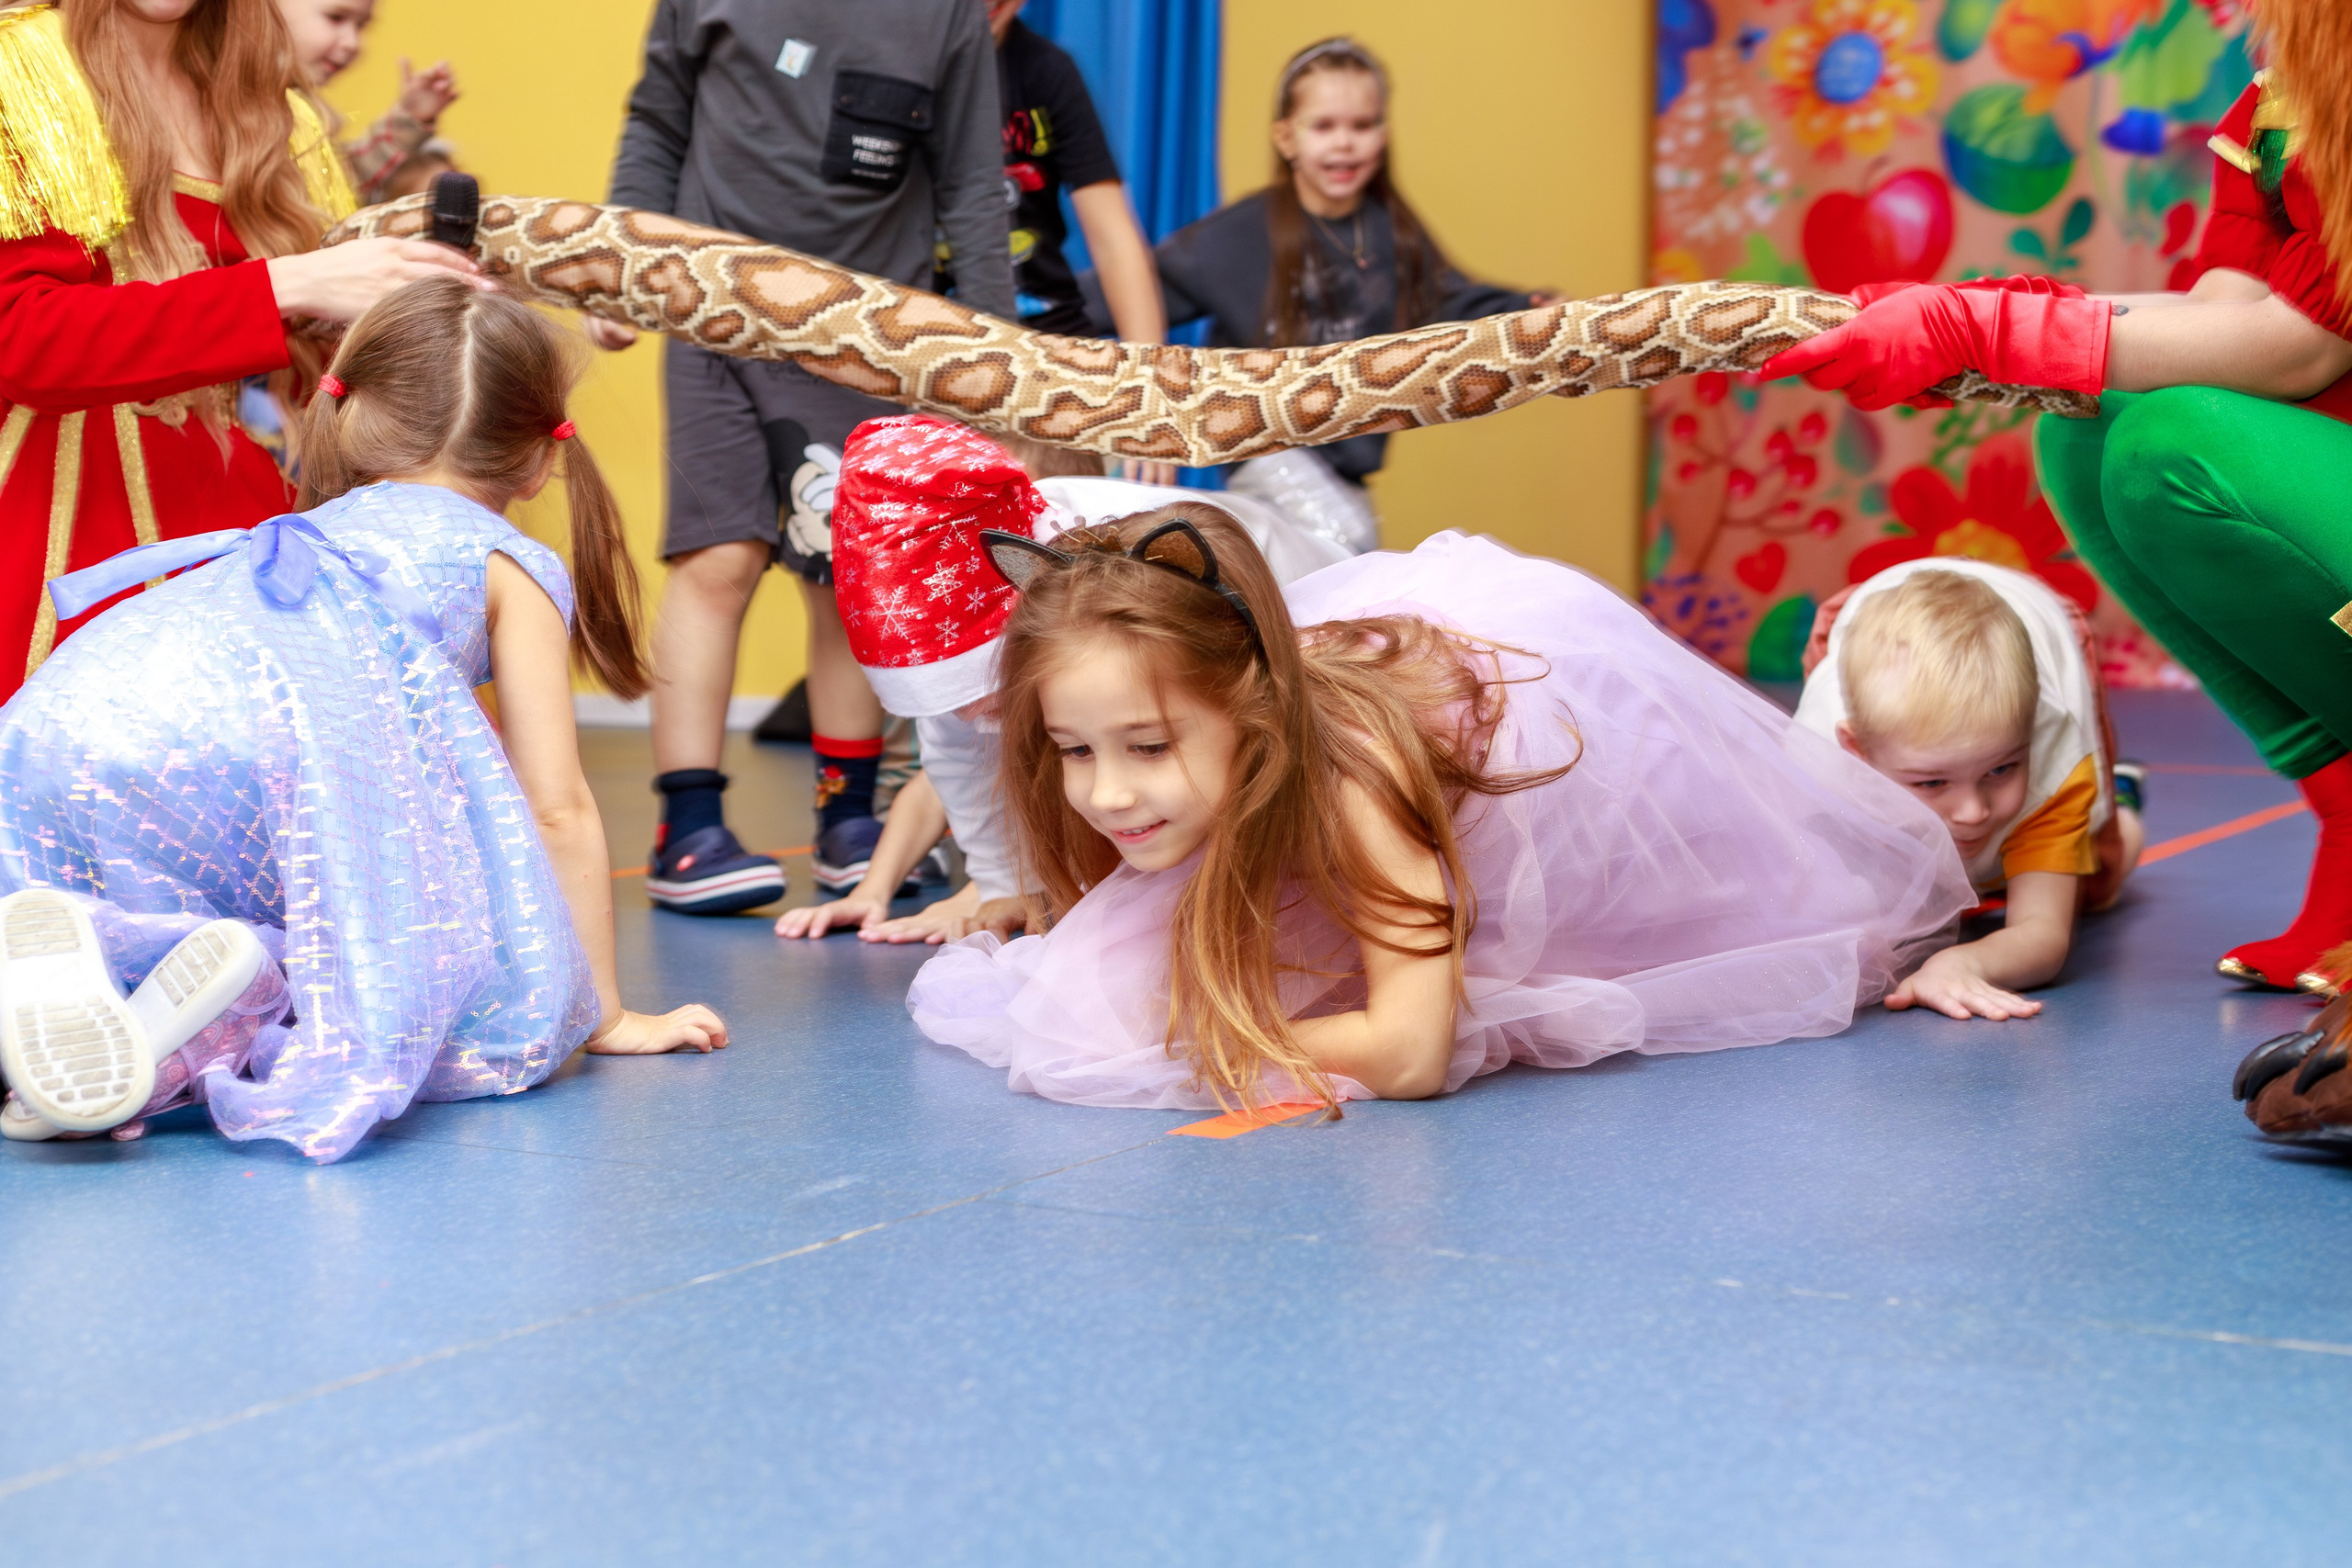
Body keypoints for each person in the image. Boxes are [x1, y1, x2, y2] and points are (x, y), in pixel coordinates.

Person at [898, 503, 1973, 1111]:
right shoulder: (1178, 759)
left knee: (1812, 890)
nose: (1107, 793)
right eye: (1075, 751)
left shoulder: (1353, 772)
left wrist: (1240, 1030)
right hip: (1370, 702)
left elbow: (1412, 1054)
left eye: (1145, 747)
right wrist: (1016, 895)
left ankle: (2071, 821)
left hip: (1577, 755)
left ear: (1251, 714)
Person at [0, 276, 725, 1161]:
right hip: (234, 735)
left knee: (132, 863)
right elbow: (556, 804)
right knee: (415, 961)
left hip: (80, 696)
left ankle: (112, 985)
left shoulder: (308, 530)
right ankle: (207, 1010)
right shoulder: (505, 559)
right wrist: (603, 1011)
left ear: (351, 417)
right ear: (541, 453)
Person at [1760, 0, 2352, 995]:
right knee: (2086, 423)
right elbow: (2226, 311)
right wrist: (1995, 318)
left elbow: (2302, 345)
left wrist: (1985, 330)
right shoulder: (2281, 98)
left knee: (2173, 443)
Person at [597, 0, 1015, 916]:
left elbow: (973, 186)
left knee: (841, 573)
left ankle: (848, 819)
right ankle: (688, 826)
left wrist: (995, 364)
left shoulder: (942, 17)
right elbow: (658, 123)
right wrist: (622, 268)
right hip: (713, 315)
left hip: (862, 335)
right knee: (717, 557)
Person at [0, 0, 484, 704]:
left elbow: (287, 374)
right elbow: (24, 340)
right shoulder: (20, 73)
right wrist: (284, 285)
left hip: (240, 537)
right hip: (58, 544)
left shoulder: (276, 106)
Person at [777, 416, 1352, 945]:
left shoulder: (1099, 553)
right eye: (949, 701)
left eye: (981, 690)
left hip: (1314, 615)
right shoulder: (955, 657)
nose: (977, 717)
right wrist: (1001, 881)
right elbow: (953, 758)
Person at [1116, 36, 1543, 541]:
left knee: (1358, 552)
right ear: (1286, 138)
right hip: (1269, 443)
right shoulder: (1236, 238)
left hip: (1345, 457)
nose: (1345, 143)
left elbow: (1449, 301)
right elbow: (1129, 293)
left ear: (1383, 133)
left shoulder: (1392, 232)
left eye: (1362, 125)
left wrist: (1528, 312)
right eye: (1323, 126)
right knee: (1344, 541)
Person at [1793, 562, 2145, 1021]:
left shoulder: (2055, 768)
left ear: (2029, 743)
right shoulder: (1815, 767)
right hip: (1861, 617)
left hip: (2042, 619)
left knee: (2099, 879)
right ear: (1856, 751)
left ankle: (2120, 794)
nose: (1973, 811)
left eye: (2001, 769)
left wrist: (1965, 961)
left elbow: (2043, 934)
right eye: (1933, 781)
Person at [275, 0, 461, 203]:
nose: (353, 43)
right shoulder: (253, 114)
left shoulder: (310, 115)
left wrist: (408, 119)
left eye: (361, 26)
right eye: (335, 17)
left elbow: (340, 183)